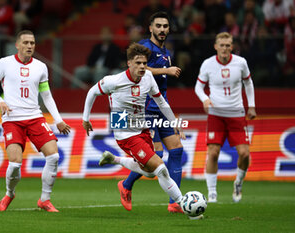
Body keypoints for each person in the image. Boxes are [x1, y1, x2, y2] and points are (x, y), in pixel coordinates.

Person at [82, 43, 185, 212]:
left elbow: (160, 101)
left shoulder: (148, 78)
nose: (142, 67)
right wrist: (85, 119)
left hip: (141, 125)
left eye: (145, 63)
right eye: (138, 63)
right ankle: (183, 203)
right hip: (124, 130)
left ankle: (114, 161)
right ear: (129, 63)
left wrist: (174, 122)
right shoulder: (114, 81)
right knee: (160, 168)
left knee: (150, 172)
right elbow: (92, 91)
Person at [0, 30, 71, 212]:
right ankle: (9, 194)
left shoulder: (40, 67)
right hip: (12, 119)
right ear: (17, 45)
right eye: (25, 43)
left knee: (54, 156)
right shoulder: (4, 63)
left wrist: (58, 120)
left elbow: (46, 96)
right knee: (15, 164)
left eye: (32, 43)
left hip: (34, 117)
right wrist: (0, 101)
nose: (30, 46)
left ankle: (44, 200)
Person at [118, 11, 184, 213]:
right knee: (156, 155)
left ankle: (175, 202)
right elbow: (141, 70)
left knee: (177, 150)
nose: (162, 29)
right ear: (151, 28)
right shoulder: (145, 47)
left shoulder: (166, 52)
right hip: (144, 108)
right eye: (158, 26)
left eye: (165, 26)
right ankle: (126, 185)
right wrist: (166, 71)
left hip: (161, 107)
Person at [194, 32, 256, 203]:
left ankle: (238, 183)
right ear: (216, 46)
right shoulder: (208, 64)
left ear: (232, 46)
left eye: (228, 45)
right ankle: (212, 192)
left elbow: (248, 83)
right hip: (216, 115)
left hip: (237, 113)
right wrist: (205, 99)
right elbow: (198, 87)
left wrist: (251, 105)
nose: (225, 48)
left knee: (244, 154)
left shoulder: (240, 62)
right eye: (221, 45)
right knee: (213, 153)